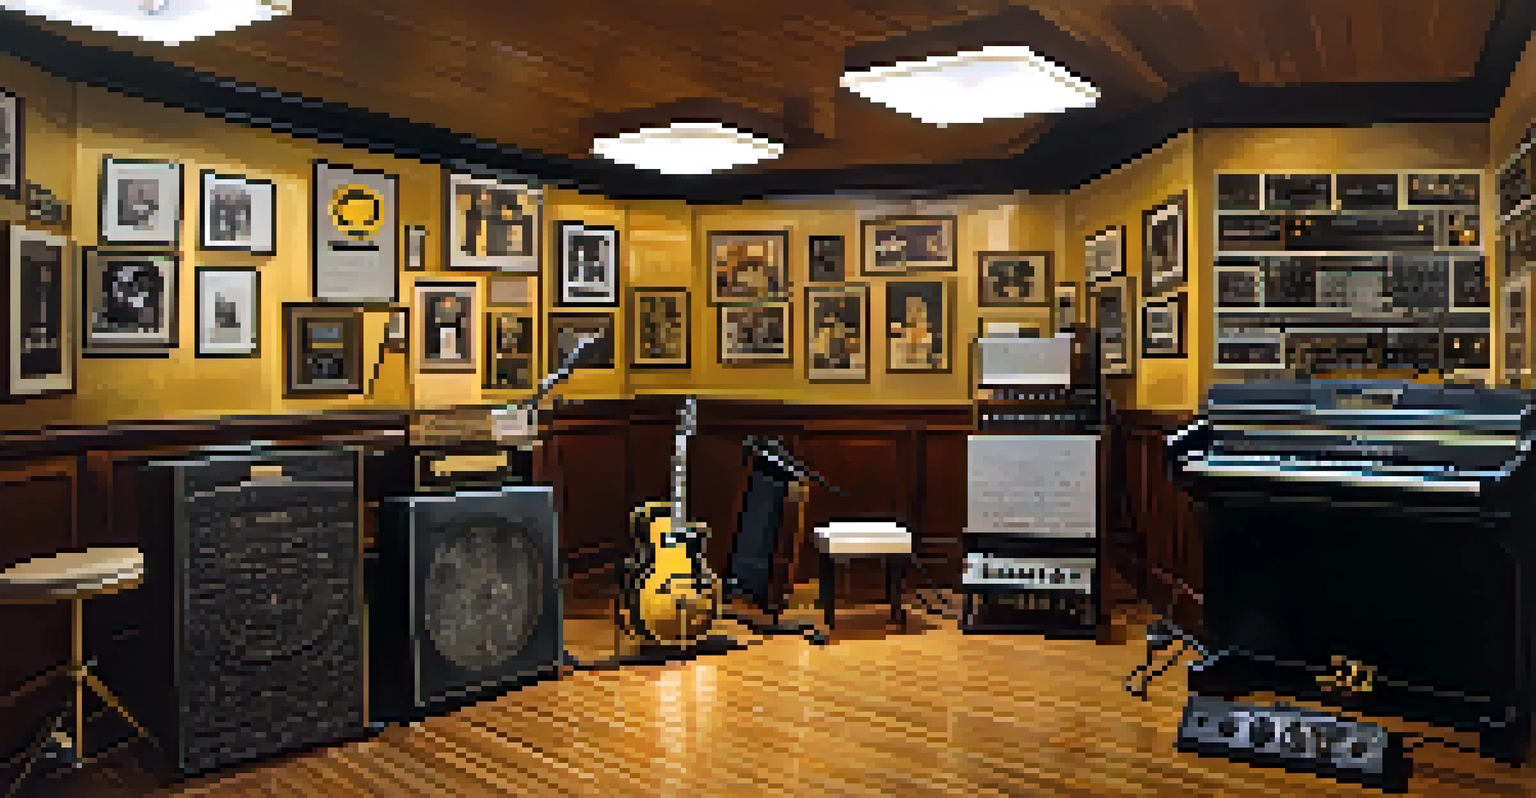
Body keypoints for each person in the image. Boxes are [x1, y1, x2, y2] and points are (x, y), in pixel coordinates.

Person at [890, 294, 933, 368]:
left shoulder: (926, 336)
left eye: (918, 309)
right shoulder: (896, 339)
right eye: (909, 309)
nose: (913, 314)